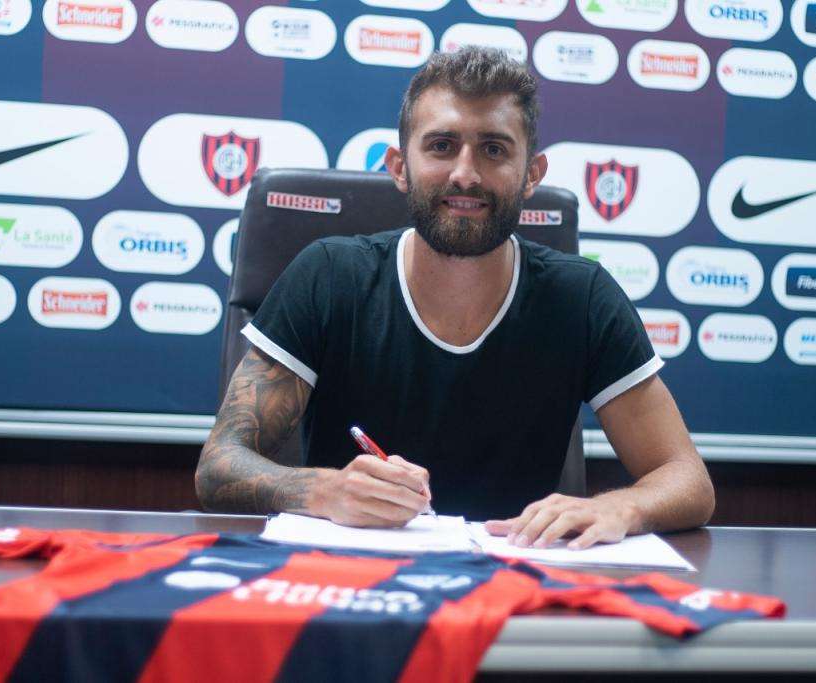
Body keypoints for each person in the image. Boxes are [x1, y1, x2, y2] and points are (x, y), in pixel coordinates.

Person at [195, 47, 714, 550]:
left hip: (519, 584)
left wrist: (620, 508)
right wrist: (324, 490)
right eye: (442, 146)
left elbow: (687, 479)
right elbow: (219, 465)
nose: (465, 173)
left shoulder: (583, 297)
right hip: (351, 580)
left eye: (494, 149)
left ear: (532, 174)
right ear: (400, 166)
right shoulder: (328, 276)